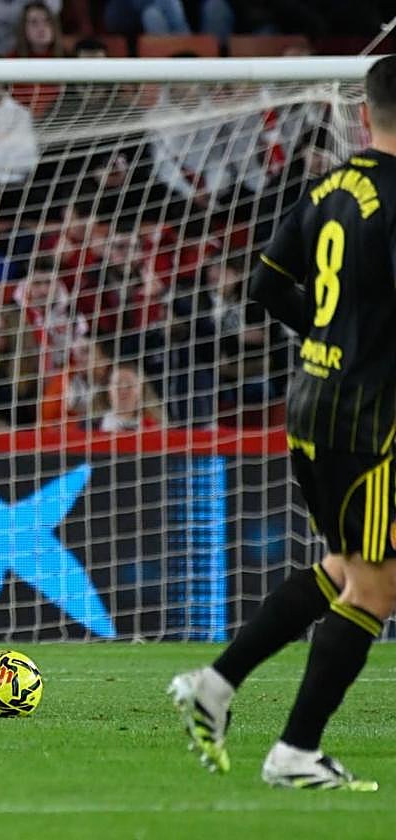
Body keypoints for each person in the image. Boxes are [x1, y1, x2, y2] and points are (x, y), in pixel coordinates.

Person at [168, 55, 396, 792]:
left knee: (345, 568)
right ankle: (295, 750)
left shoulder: (330, 186)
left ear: (364, 112)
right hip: (370, 416)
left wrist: (330, 334)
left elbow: (266, 285)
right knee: (376, 588)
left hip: (312, 399)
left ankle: (214, 684)